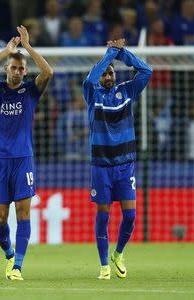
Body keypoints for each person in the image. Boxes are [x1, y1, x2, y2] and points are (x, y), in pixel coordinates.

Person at [0, 25, 53, 281]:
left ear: (25, 71)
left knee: (23, 213)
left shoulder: (30, 91)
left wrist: (27, 47)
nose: (18, 71)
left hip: (22, 160)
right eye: (13, 67)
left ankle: (18, 266)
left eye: (21, 68)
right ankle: (9, 255)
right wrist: (6, 51)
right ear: (6, 69)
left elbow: (48, 72)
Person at [82, 38, 152, 279]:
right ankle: (104, 265)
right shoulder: (93, 95)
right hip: (101, 167)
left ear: (116, 75)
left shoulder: (127, 91)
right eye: (105, 73)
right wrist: (108, 55)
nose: (108, 76)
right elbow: (90, 78)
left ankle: (118, 254)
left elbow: (147, 71)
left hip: (125, 165)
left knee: (130, 216)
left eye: (111, 73)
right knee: (103, 216)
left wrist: (123, 54)